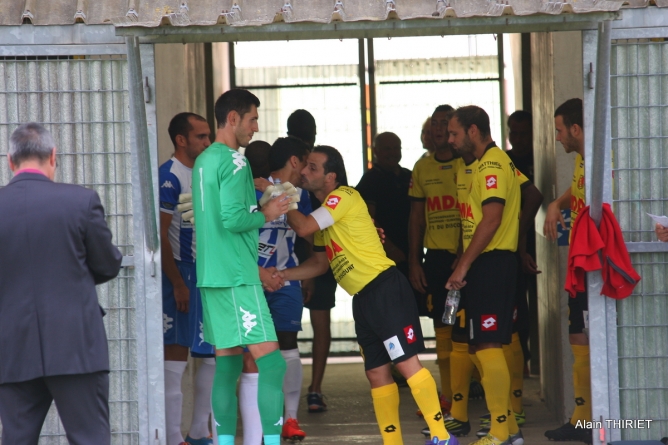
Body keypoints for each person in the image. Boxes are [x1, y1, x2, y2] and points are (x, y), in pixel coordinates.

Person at [279, 145, 457, 445]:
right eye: (305, 166)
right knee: (376, 373)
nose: (305, 171)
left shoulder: (343, 196)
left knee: (406, 363)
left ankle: (442, 436)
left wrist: (280, 195)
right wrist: (282, 276)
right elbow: (320, 264)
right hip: (362, 299)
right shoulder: (327, 218)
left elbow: (304, 224)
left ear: (330, 176)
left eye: (312, 167)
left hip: (384, 289)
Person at [0, 123, 123, 445]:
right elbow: (108, 264)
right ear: (53, 156)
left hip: (11, 344)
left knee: (16, 438)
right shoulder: (81, 201)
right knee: (90, 438)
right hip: (76, 343)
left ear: (10, 161)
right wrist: (73, 276)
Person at [192, 89, 290, 445]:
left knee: (228, 363)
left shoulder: (204, 160)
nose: (255, 126)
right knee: (274, 364)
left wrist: (257, 200)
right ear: (232, 118)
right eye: (252, 118)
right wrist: (268, 212)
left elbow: (220, 213)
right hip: (236, 276)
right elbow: (233, 219)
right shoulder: (235, 161)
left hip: (212, 275)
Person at [446, 106, 523, 445]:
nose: (450, 140)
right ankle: (509, 429)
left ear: (473, 131)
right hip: (488, 264)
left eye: (454, 134)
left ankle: (500, 431)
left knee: (488, 345)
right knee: (481, 346)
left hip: (492, 264)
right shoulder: (487, 164)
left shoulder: (492, 163)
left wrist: (463, 264)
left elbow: (491, 220)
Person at [239, 137, 313, 444]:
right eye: (306, 162)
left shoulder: (302, 194)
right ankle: (261, 422)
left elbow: (307, 232)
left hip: (285, 278)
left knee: (288, 343)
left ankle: (291, 418)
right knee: (252, 353)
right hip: (252, 278)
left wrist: (306, 273)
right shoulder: (248, 189)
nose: (308, 170)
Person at [159, 112, 216, 445]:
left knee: (209, 353)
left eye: (209, 136)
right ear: (182, 140)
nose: (207, 143)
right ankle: (170, 437)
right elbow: (160, 234)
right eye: (201, 137)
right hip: (181, 274)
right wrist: (178, 283)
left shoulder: (206, 172)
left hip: (208, 274)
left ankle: (199, 432)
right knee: (176, 357)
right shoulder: (169, 176)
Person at [543, 98, 592, 444]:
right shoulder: (582, 160)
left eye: (560, 130)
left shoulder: (606, 159)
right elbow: (577, 190)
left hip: (595, 267)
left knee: (587, 339)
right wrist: (557, 203)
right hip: (579, 266)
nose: (557, 137)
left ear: (575, 129)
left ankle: (593, 422)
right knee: (578, 337)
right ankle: (581, 417)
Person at [409, 105, 462, 416]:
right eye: (436, 124)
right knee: (443, 326)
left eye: (446, 124)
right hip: (438, 260)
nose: (440, 129)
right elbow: (416, 219)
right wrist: (415, 262)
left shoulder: (467, 164)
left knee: (466, 332)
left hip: (466, 259)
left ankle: (465, 397)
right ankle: (448, 396)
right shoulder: (422, 167)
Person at [287, 108, 335, 413]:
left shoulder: (312, 171)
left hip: (312, 254)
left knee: (289, 334)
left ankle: (310, 390)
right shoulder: (301, 167)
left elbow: (307, 228)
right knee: (314, 326)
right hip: (308, 257)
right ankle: (313, 389)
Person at [357, 132, 412, 276]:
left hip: (412, 253)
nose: (393, 153)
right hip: (384, 256)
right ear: (376, 151)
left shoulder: (409, 176)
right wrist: (390, 248)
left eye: (396, 148)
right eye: (388, 149)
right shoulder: (370, 180)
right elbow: (368, 219)